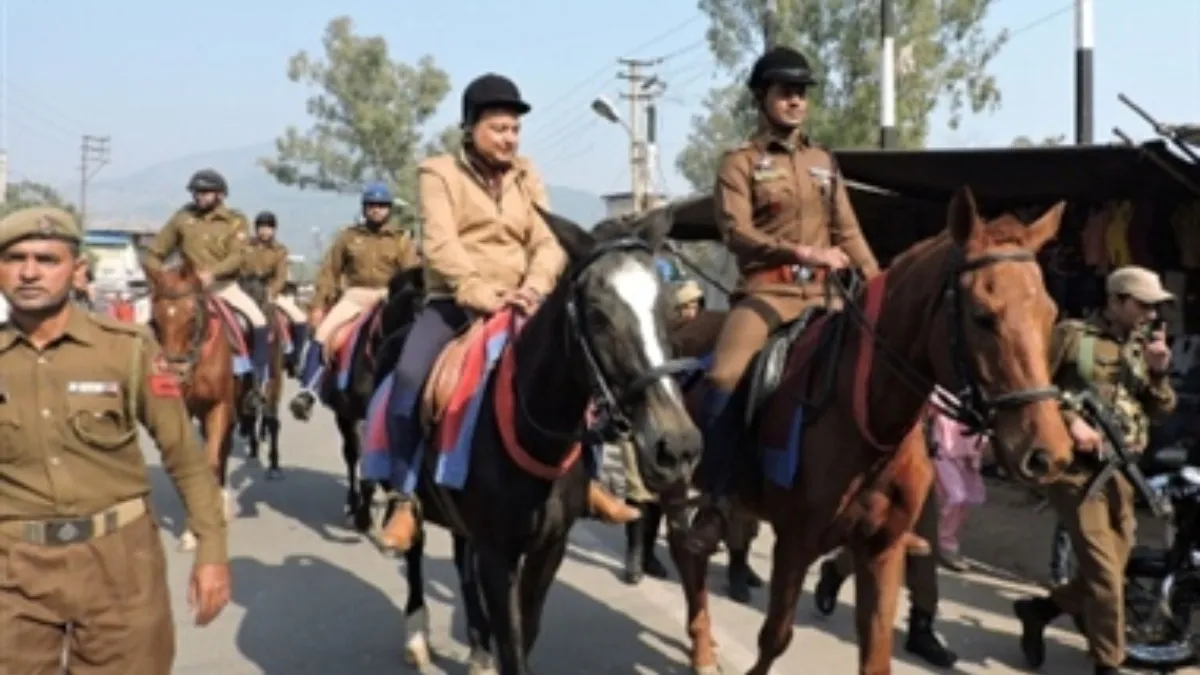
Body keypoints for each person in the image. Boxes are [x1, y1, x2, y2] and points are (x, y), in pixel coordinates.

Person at [377, 72, 639, 552]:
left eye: (515, 129)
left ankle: (591, 479)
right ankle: (404, 496)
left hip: (525, 301)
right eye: (499, 128)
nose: (509, 139)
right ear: (471, 127)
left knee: (582, 368)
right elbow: (440, 244)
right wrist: (482, 293)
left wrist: (535, 287)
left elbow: (547, 240)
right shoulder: (438, 172)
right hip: (457, 302)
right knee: (410, 379)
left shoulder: (526, 174)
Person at [0, 206, 230, 674]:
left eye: (47, 259)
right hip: (13, 566)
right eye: (15, 259)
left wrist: (212, 552)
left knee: (257, 321)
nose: (29, 272)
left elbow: (185, 458)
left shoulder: (128, 349)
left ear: (77, 270)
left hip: (120, 563)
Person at [686, 45, 881, 554]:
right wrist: (801, 251)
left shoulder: (823, 161)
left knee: (880, 365)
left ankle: (886, 498)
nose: (796, 101)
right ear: (762, 98)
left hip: (825, 298)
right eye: (785, 92)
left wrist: (878, 282)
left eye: (802, 93)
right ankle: (716, 498)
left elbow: (848, 230)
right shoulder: (740, 163)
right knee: (724, 376)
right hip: (766, 293)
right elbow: (736, 233)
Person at [1013, 265, 1177, 675]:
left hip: (1123, 471)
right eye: (1143, 304)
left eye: (1155, 306)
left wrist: (1159, 371)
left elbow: (1159, 411)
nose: (1151, 314)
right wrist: (1070, 420)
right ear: (1116, 300)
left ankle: (1040, 611)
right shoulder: (1072, 336)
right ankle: (1108, 664)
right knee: (1105, 575)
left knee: (1111, 571)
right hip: (1075, 471)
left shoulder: (1142, 347)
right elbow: (1033, 390)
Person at [811, 403, 958, 668]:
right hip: (879, 462)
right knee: (876, 540)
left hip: (919, 461)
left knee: (926, 547)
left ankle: (921, 626)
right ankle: (836, 571)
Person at [288, 183, 420, 419]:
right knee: (323, 334)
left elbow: (410, 275)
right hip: (356, 295)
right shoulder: (348, 237)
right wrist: (318, 305)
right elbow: (329, 272)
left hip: (388, 297)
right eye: (371, 205)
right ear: (364, 208)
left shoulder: (401, 240)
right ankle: (307, 391)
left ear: (389, 209)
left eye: (381, 205)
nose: (376, 210)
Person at [143, 169, 268, 407]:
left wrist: (213, 273)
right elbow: (155, 252)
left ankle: (256, 384)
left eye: (205, 192)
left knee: (258, 321)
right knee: (152, 326)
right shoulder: (182, 217)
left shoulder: (234, 220)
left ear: (220, 194)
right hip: (185, 291)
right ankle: (142, 382)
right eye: (196, 192)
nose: (199, 196)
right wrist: (160, 279)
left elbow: (238, 256)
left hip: (223, 287)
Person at [241, 211, 309, 361]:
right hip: (246, 289)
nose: (264, 231)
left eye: (268, 228)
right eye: (261, 227)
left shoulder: (280, 250)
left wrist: (271, 292)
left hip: (269, 289)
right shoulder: (245, 246)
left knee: (300, 318)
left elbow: (281, 276)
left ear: (274, 230)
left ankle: (295, 357)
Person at [929, 406, 987, 571]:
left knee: (965, 502)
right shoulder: (941, 397)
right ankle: (944, 544)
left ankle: (946, 541)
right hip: (942, 450)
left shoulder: (971, 398)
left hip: (968, 452)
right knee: (955, 497)